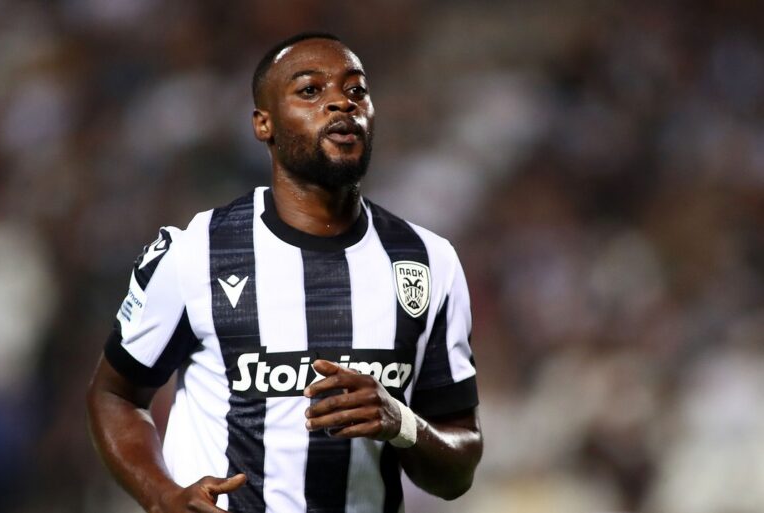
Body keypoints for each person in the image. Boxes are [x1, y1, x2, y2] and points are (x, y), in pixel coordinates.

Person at [86, 32, 483, 513]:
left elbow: (458, 469)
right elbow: (115, 395)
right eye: (311, 90)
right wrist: (161, 495)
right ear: (264, 124)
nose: (341, 102)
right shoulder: (197, 252)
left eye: (356, 90)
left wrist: (402, 422)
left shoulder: (428, 261)